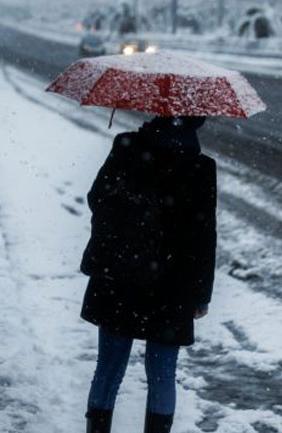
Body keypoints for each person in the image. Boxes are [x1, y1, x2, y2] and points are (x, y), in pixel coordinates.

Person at [80, 115, 217, 433]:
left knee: (109, 368)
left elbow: (96, 199)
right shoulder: (200, 167)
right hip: (173, 282)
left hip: (120, 274)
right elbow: (204, 236)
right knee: (162, 373)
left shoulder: (127, 146)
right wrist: (201, 295)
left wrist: (130, 203)